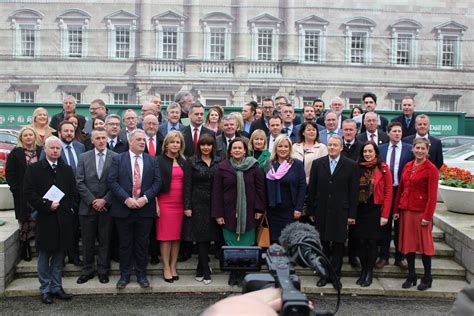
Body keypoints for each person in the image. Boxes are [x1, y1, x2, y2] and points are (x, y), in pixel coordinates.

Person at [23, 136, 78, 304]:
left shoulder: (67, 169)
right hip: (45, 218)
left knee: (59, 256)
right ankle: (45, 289)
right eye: (52, 148)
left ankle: (57, 287)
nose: (55, 150)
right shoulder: (34, 169)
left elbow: (73, 193)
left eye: (58, 148)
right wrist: (46, 205)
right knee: (44, 256)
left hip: (63, 219)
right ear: (45, 149)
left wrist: (70, 209)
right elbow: (29, 193)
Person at [107, 129, 161, 289]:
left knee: (142, 244)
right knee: (125, 244)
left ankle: (141, 275)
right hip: (124, 209)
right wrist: (126, 199)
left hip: (145, 210)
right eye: (138, 139)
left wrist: (145, 199)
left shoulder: (152, 160)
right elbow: (112, 181)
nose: (142, 142)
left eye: (143, 140)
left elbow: (157, 183)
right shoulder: (118, 159)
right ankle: (124, 276)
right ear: (130, 141)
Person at [307, 136, 358, 289]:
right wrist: (311, 210)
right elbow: (312, 189)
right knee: (323, 244)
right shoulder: (317, 164)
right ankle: (324, 274)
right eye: (330, 145)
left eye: (335, 145)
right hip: (321, 210)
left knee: (338, 244)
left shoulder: (350, 165)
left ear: (341, 147)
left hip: (340, 211)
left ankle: (335, 275)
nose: (332, 148)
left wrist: (352, 214)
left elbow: (353, 191)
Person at [212, 138, 265, 286]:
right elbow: (216, 192)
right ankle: (233, 272)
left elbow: (260, 189)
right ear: (230, 151)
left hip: (249, 212)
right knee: (231, 244)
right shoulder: (222, 167)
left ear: (245, 150)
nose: (237, 150)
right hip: (228, 213)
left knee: (247, 244)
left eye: (240, 148)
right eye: (234, 148)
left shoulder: (253, 166)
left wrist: (259, 209)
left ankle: (242, 273)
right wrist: (218, 214)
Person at [393, 137, 438, 291]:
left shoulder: (431, 168)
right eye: (417, 148)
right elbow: (401, 189)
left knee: (425, 247)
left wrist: (428, 216)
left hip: (421, 213)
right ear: (412, 149)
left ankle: (427, 277)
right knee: (409, 245)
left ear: (427, 150)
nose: (419, 151)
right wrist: (396, 209)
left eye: (422, 148)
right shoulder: (407, 165)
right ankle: (411, 275)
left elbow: (432, 196)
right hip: (406, 210)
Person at [76, 128, 118, 285]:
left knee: (105, 241)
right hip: (87, 207)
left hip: (107, 208)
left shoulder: (116, 157)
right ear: (92, 140)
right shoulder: (83, 157)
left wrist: (104, 200)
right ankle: (87, 270)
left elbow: (117, 182)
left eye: (103, 137)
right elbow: (79, 182)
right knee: (87, 242)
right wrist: (93, 200)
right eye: (98, 138)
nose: (101, 140)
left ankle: (103, 270)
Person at [354, 141, 393, 287]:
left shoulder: (383, 169)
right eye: (365, 152)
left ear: (376, 153)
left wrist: (385, 215)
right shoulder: (357, 168)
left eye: (370, 151)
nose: (367, 154)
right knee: (361, 243)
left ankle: (369, 272)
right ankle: (363, 271)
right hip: (360, 210)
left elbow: (389, 192)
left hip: (376, 210)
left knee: (372, 243)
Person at [184, 133, 221, 285]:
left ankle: (200, 268)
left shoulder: (219, 161)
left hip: (214, 203)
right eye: (203, 145)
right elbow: (187, 186)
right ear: (199, 146)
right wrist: (187, 206)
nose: (206, 147)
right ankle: (206, 270)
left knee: (210, 236)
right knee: (201, 238)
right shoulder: (191, 161)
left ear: (213, 146)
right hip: (197, 204)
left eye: (209, 144)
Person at [377, 122, 414, 270]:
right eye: (394, 131)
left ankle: (400, 257)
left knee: (400, 227)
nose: (397, 134)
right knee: (384, 225)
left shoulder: (409, 149)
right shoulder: (381, 149)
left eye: (399, 131)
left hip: (402, 191)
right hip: (386, 192)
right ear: (388, 133)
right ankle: (383, 256)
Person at [156, 131, 191, 283]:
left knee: (177, 237)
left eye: (178, 142)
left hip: (180, 203)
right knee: (165, 237)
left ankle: (173, 265)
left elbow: (188, 184)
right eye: (172, 142)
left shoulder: (184, 161)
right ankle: (165, 267)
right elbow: (154, 184)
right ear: (166, 144)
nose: (175, 145)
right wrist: (155, 204)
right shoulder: (158, 160)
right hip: (164, 203)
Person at [6, 126, 42, 261]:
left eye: (30, 135)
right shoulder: (15, 153)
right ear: (21, 138)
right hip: (22, 192)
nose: (28, 137)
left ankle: (40, 248)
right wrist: (16, 189)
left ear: (34, 137)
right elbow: (10, 173)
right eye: (25, 135)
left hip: (39, 192)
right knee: (25, 220)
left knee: (39, 219)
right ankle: (25, 247)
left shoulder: (41, 151)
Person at [265, 135, 306, 243]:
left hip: (290, 210)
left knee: (289, 239)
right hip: (272, 210)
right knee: (274, 240)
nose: (283, 149)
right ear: (275, 148)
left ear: (290, 148)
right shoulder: (269, 164)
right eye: (280, 146)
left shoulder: (296, 164)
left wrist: (298, 208)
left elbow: (302, 186)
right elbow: (264, 187)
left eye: (286, 146)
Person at [340, 119, 364, 268]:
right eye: (346, 129)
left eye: (351, 129)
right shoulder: (337, 146)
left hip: (356, 191)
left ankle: (353, 255)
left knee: (355, 227)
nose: (348, 132)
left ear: (356, 131)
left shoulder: (362, 147)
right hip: (338, 191)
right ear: (342, 130)